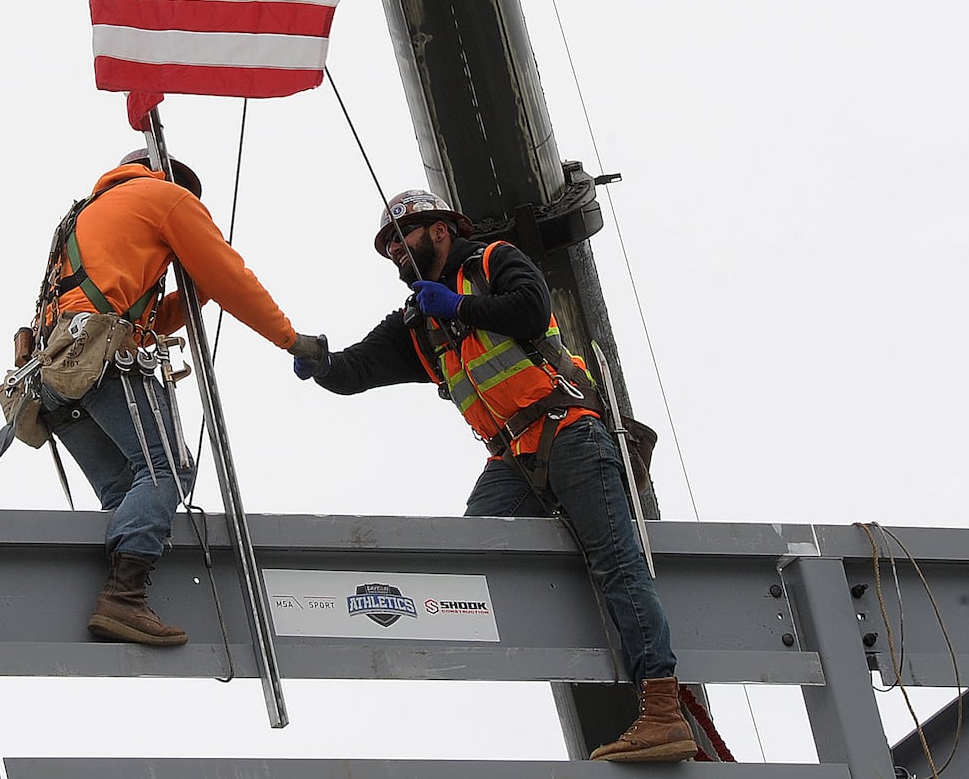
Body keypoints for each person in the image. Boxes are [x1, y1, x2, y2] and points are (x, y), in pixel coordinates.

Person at [291, 188, 697, 764]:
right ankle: (538, 669)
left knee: (616, 562)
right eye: (386, 250)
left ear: (439, 230)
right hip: (513, 458)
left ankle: (662, 711)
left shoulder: (491, 262)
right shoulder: (418, 321)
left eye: (400, 240)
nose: (395, 255)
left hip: (570, 431)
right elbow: (355, 369)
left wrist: (459, 309)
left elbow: (531, 309)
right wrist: (315, 359)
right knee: (476, 554)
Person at [32, 150, 325, 648]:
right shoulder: (166, 198)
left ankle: (120, 584)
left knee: (129, 486)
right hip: (99, 357)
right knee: (168, 468)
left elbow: (146, 320)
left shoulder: (87, 214)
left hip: (53, 374)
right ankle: (123, 598)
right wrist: (292, 340)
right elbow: (233, 278)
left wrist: (197, 292)